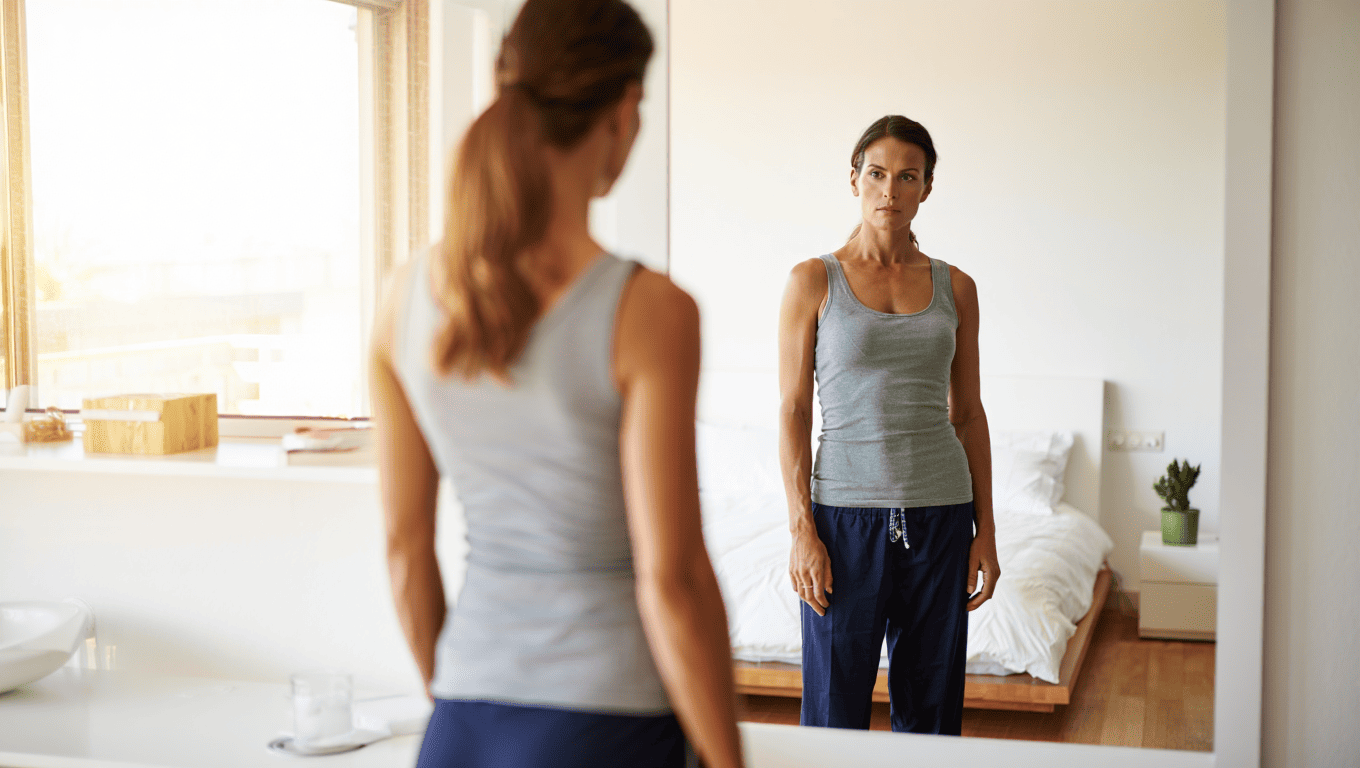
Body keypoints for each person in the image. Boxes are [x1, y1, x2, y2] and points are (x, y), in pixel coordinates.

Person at [368, 2, 743, 766]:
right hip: (609, 722)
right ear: (624, 111)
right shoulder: (649, 312)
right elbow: (670, 578)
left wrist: (459, 697)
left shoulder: (400, 298)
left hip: (461, 729)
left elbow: (406, 551)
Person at [777, 115, 1000, 735]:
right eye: (877, 174)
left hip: (942, 515)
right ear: (854, 180)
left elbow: (969, 413)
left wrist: (985, 530)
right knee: (832, 710)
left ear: (927, 188)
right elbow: (794, 411)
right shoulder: (812, 281)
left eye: (908, 177)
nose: (890, 191)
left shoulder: (957, 287)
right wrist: (802, 529)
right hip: (844, 519)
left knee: (930, 711)